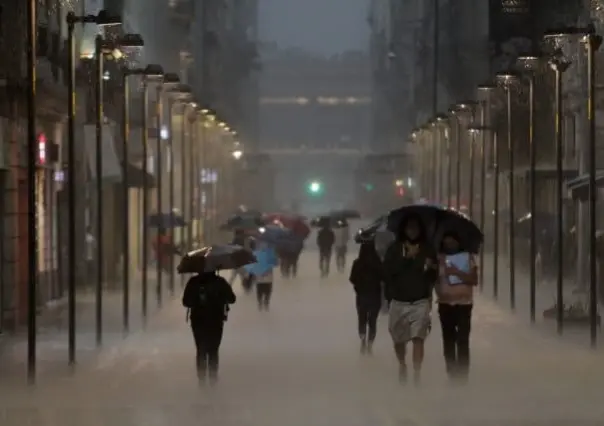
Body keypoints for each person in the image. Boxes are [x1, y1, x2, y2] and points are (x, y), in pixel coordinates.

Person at [383, 215, 438, 385]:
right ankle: (402, 364)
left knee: (418, 338)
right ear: (404, 230)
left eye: (415, 228)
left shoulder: (427, 249)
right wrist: (406, 258)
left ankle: (417, 373)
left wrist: (432, 268)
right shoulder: (394, 249)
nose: (412, 231)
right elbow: (387, 272)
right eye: (409, 228)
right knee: (398, 339)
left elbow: (433, 276)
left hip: (420, 300)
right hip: (399, 300)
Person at [435, 231, 477, 383]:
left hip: (464, 304)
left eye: (452, 240)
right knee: (448, 339)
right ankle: (452, 373)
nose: (449, 243)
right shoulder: (438, 259)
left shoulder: (468, 257)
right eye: (446, 241)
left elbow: (474, 279)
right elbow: (435, 281)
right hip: (445, 304)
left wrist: (456, 272)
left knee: (463, 339)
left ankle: (462, 375)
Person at [182, 267, 236, 384]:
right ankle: (213, 377)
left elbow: (185, 302)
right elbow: (232, 299)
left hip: (198, 321)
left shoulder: (193, 282)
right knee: (213, 349)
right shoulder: (220, 282)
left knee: (200, 349)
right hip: (216, 320)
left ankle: (201, 379)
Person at [349, 242, 383, 354]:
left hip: (361, 295)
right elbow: (384, 277)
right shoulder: (378, 263)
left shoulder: (357, 263)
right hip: (375, 296)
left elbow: (352, 279)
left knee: (362, 319)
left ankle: (363, 339)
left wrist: (359, 286)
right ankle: (370, 344)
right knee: (372, 321)